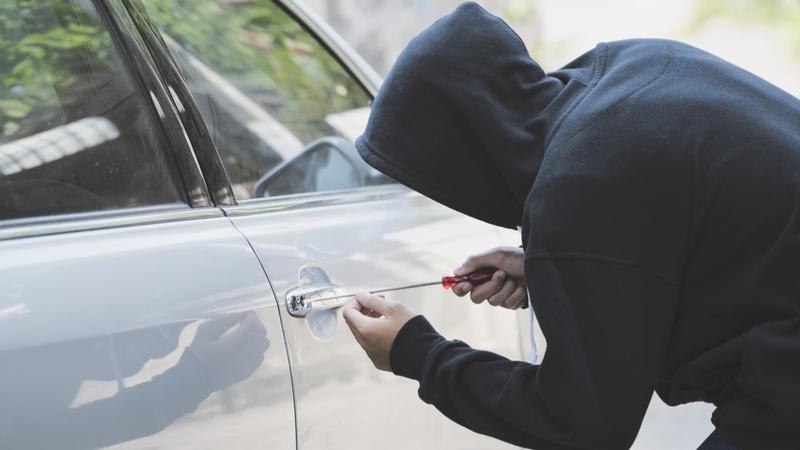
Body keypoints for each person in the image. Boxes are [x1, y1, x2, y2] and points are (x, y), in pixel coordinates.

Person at [341, 2, 800, 450]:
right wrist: (553, 270)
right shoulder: (635, 63)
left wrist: (417, 352)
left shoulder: (582, 184)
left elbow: (581, 424)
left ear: (463, 148)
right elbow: (690, 218)